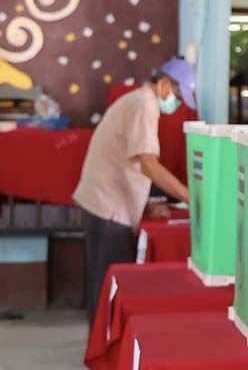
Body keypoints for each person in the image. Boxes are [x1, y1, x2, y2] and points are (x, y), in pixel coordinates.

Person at [73, 58, 195, 323]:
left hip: (104, 203)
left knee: (101, 288)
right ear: (164, 84)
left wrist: (148, 204)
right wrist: (192, 199)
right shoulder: (143, 105)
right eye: (177, 96)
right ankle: (104, 348)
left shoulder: (136, 101)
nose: (176, 103)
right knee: (109, 292)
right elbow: (148, 163)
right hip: (108, 208)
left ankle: (100, 345)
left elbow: (130, 160)